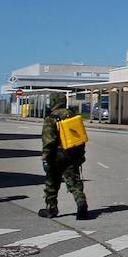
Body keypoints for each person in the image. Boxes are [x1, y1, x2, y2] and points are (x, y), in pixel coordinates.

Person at [39, 92, 91, 220]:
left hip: (56, 156)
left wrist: (45, 158)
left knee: (51, 183)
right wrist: (80, 155)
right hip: (72, 154)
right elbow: (80, 138)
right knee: (74, 182)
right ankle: (81, 203)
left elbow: (48, 141)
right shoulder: (73, 116)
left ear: (54, 102)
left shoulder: (51, 118)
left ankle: (51, 209)